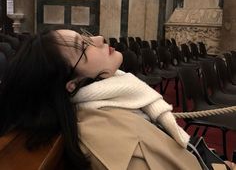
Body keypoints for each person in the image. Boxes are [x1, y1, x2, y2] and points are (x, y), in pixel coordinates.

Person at [0, 28, 234, 170]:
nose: (100, 38)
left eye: (87, 37)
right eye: (84, 46)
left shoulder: (119, 97)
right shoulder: (111, 142)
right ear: (71, 84)